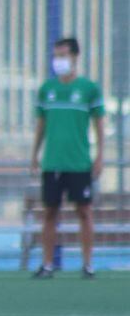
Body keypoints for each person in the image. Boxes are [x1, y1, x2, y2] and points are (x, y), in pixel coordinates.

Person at [30, 36, 106, 279]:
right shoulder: (47, 89)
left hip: (79, 162)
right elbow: (41, 125)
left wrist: (100, 156)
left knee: (84, 211)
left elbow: (99, 126)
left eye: (63, 55)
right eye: (56, 55)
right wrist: (35, 154)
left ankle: (87, 265)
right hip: (53, 162)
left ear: (75, 57)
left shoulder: (88, 89)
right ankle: (48, 264)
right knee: (50, 212)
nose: (58, 60)